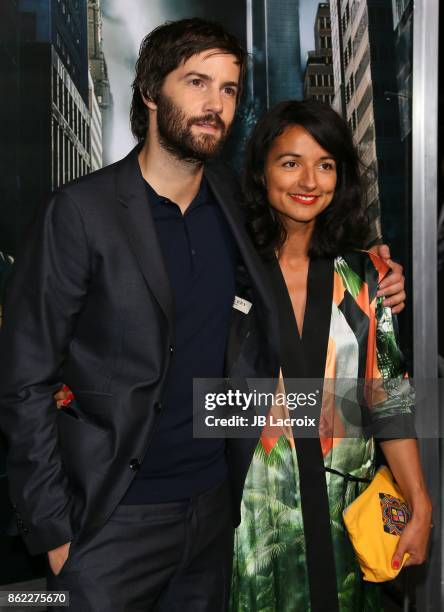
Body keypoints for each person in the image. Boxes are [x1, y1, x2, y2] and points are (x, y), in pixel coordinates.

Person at [0, 19, 405, 612]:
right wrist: (54, 531)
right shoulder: (80, 213)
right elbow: (23, 380)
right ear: (150, 91)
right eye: (197, 82)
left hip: (217, 516)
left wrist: (375, 270)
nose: (214, 103)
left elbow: (308, 235)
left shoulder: (237, 213)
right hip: (110, 521)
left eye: (229, 89)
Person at [230, 100, 432, 612]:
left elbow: (389, 400)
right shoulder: (226, 273)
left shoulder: (365, 277)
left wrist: (421, 502)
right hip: (250, 527)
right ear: (260, 171)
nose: (309, 180)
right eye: (290, 162)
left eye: (326, 165)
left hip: (347, 521)